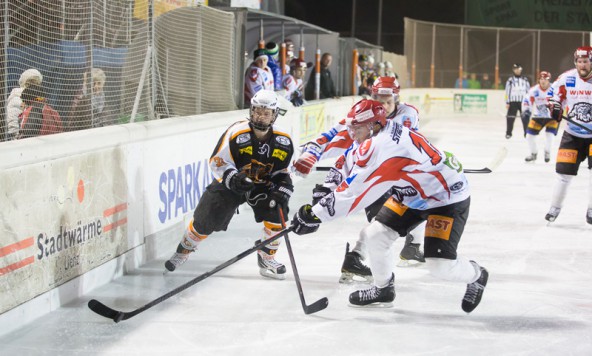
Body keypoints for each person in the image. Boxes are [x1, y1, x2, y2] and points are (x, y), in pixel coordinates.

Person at [291, 99, 488, 312]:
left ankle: (477, 274)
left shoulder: (385, 147)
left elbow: (356, 193)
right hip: (410, 195)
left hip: (444, 197)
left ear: (374, 125)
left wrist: (315, 214)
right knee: (375, 235)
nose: (351, 133)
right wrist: (328, 184)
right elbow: (350, 158)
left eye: (355, 128)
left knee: (439, 265)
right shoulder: (374, 132)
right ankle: (383, 289)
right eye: (351, 127)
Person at [293, 76, 426, 283]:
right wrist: (313, 155)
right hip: (375, 176)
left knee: (415, 204)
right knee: (384, 221)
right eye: (378, 98)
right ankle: (361, 260)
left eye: (388, 99)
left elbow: (414, 146)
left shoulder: (407, 116)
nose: (383, 104)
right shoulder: (365, 116)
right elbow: (340, 146)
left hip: (395, 174)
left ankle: (411, 248)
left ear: (397, 98)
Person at [164, 90, 295, 279]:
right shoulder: (237, 131)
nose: (260, 116)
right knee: (207, 217)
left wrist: (284, 186)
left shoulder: (284, 140)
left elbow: (283, 172)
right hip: (233, 183)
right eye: (257, 111)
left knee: (278, 211)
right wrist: (233, 177)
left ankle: (267, 257)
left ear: (274, 115)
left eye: (266, 113)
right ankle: (183, 251)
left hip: (263, 185)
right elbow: (217, 161)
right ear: (251, 111)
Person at [544, 46, 592, 225]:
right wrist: (554, 107)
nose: (582, 65)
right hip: (572, 134)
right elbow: (553, 95)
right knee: (563, 173)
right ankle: (554, 208)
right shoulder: (567, 78)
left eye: (585, 61)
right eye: (579, 62)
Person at [522, 71, 557, 163]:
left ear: (549, 80)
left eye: (545, 79)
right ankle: (533, 154)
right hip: (538, 117)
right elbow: (527, 100)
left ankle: (547, 152)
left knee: (550, 135)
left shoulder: (555, 89)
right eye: (541, 79)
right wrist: (526, 110)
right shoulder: (534, 90)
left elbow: (562, 100)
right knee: (529, 136)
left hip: (552, 117)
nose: (543, 81)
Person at [6, 68, 43, 140]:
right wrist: (17, 139)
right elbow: (13, 123)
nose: (34, 84)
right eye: (32, 81)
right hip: (21, 142)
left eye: (36, 82)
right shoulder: (16, 99)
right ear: (25, 82)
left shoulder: (38, 100)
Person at [504, 64, 531, 139]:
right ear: (513, 70)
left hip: (523, 102)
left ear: (521, 70)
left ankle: (527, 133)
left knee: (525, 118)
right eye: (515, 69)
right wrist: (507, 102)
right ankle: (508, 133)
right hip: (513, 102)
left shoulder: (525, 79)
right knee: (510, 118)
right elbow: (507, 91)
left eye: (518, 69)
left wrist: (528, 102)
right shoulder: (510, 80)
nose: (517, 70)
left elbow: (528, 91)